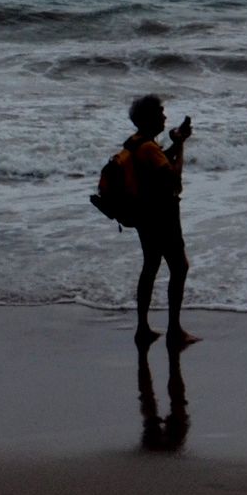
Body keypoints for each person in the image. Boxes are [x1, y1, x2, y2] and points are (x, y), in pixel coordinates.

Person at [89, 94, 194, 343]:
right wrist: (181, 147)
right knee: (179, 267)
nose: (165, 117)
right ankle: (174, 331)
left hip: (144, 216)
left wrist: (177, 142)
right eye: (160, 113)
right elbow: (173, 179)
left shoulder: (138, 143)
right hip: (162, 216)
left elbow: (159, 162)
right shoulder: (148, 148)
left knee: (150, 266)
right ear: (150, 118)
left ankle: (143, 328)